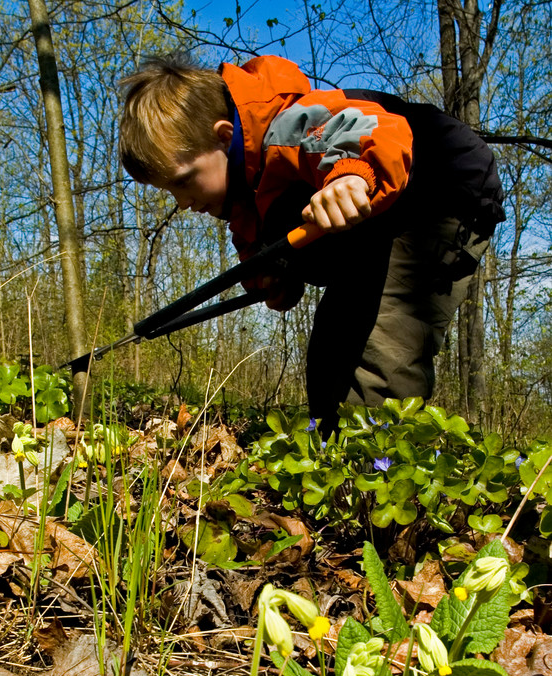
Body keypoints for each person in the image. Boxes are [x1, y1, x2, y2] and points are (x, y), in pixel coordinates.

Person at [118, 54, 505, 435]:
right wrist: (273, 279)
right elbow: (256, 247)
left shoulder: (291, 125)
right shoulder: (247, 196)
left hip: (439, 196)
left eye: (183, 181)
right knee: (331, 345)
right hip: (380, 226)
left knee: (382, 345)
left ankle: (380, 475)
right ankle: (331, 455)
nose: (182, 202)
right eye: (169, 191)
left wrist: (350, 179)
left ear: (224, 136)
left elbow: (372, 132)